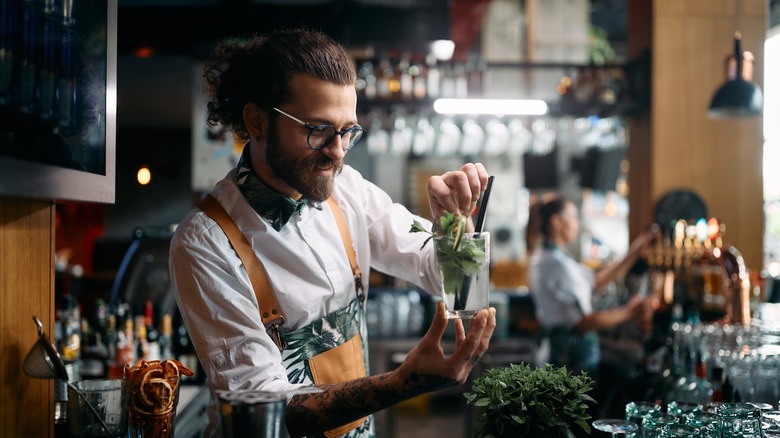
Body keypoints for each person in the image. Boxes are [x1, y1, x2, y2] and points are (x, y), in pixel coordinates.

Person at [168, 28, 496, 438]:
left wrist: (456, 223)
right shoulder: (205, 242)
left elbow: (451, 282)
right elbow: (263, 404)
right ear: (257, 122)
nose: (338, 152)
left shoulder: (350, 191)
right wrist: (398, 384)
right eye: (318, 130)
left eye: (348, 132)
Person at [527, 195, 656, 382]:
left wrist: (636, 248)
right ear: (556, 222)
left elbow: (595, 281)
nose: (577, 224)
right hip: (570, 359)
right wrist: (630, 311)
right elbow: (583, 322)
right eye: (573, 217)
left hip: (556, 353)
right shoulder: (557, 265)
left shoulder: (545, 257)